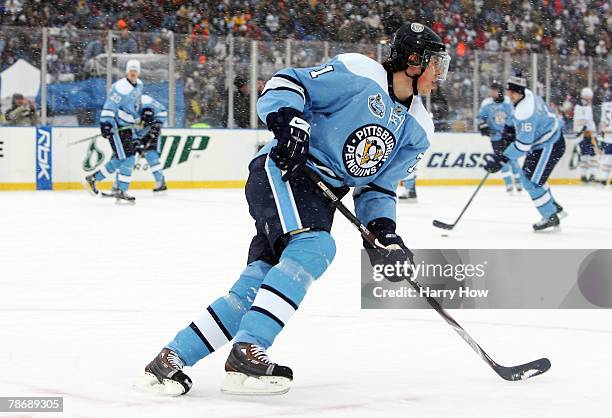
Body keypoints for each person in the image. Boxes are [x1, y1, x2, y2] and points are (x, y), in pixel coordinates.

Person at [141, 22, 450, 396]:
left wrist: (384, 234)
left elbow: (378, 185)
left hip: (322, 195)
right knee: (316, 247)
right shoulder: (360, 73)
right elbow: (286, 82)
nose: (440, 74)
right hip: (285, 170)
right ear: (413, 61)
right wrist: (289, 121)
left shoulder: (419, 128)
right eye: (435, 63)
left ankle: (169, 361)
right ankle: (247, 354)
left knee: (254, 291)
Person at [484, 74, 566, 232]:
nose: (509, 95)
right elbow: (514, 120)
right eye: (509, 91)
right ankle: (553, 207)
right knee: (529, 177)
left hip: (550, 143)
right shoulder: (525, 95)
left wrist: (501, 159)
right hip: (543, 142)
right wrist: (508, 131)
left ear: (520, 92)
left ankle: (551, 215)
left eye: (512, 92)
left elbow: (523, 145)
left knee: (530, 180)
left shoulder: (526, 112)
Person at [84, 60, 143, 203]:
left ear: (139, 72)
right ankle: (118, 188)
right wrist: (106, 124)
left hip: (128, 128)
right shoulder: (120, 87)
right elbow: (109, 106)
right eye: (130, 70)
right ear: (127, 72)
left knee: (124, 158)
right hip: (117, 127)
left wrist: (137, 119)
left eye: (135, 70)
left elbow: (134, 106)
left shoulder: (139, 85)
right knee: (126, 157)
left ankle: (99, 181)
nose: (133, 73)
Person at [477, 81, 522, 192]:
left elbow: (513, 117)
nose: (492, 92)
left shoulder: (508, 102)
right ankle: (508, 184)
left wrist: (512, 131)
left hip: (508, 137)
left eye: (495, 90)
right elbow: (480, 117)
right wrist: (483, 126)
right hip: (495, 137)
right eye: (491, 90)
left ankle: (519, 182)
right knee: (501, 161)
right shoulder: (487, 104)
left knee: (513, 159)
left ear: (500, 91)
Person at [135, 94, 168, 192]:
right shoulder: (138, 99)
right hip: (147, 126)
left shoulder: (143, 101)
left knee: (151, 155)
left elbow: (148, 117)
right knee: (131, 155)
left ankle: (160, 182)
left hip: (152, 125)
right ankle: (160, 182)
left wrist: (156, 125)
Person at [573, 87, 598, 183]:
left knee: (586, 155)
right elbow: (584, 122)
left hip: (584, 135)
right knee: (588, 155)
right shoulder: (583, 107)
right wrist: (588, 132)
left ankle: (586, 175)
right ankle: (588, 174)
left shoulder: (581, 106)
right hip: (586, 135)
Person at [597, 92, 612, 185]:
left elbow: (602, 124)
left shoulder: (605, 106)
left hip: (607, 137)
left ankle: (603, 179)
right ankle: (604, 179)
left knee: (607, 158)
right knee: (607, 158)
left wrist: (601, 136)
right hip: (608, 137)